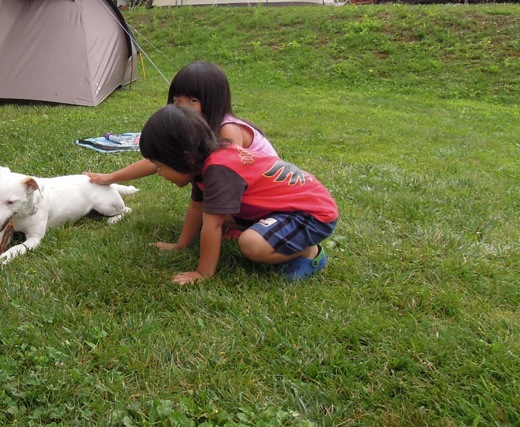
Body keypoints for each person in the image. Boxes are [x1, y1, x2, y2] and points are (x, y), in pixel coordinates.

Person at [140, 105, 338, 285]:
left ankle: (309, 252)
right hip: (285, 209)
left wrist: (203, 273)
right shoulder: (202, 163)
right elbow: (197, 207)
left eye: (161, 167)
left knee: (251, 244)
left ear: (186, 157)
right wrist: (181, 245)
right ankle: (279, 238)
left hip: (312, 214)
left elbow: (213, 225)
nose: (159, 173)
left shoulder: (219, 170)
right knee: (213, 213)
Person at [86, 61, 276, 188]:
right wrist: (111, 178)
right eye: (177, 101)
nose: (183, 108)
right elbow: (157, 160)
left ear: (214, 101)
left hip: (270, 190)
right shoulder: (190, 130)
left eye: (193, 101)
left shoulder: (228, 130)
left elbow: (229, 181)